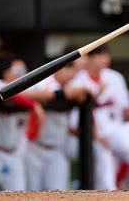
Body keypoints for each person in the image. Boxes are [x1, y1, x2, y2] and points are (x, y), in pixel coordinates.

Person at [69, 46, 129, 189]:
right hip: (92, 137)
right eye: (99, 55)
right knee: (105, 169)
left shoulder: (114, 77)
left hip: (116, 131)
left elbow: (125, 112)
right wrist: (96, 136)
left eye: (106, 55)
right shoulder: (78, 80)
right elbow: (74, 124)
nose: (105, 59)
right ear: (88, 59)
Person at [24, 60, 91, 190]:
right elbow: (46, 94)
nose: (71, 74)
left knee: (59, 192)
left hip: (57, 149)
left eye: (72, 71)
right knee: (31, 192)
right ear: (58, 69)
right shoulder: (43, 82)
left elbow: (86, 94)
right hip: (35, 147)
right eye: (67, 69)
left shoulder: (73, 83)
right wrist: (35, 102)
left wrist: (68, 93)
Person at [0, 55, 45, 191]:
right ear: (5, 72)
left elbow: (48, 93)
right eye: (17, 70)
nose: (22, 74)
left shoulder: (31, 90)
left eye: (24, 71)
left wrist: (31, 98)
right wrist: (33, 104)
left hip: (15, 153)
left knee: (19, 193)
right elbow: (3, 91)